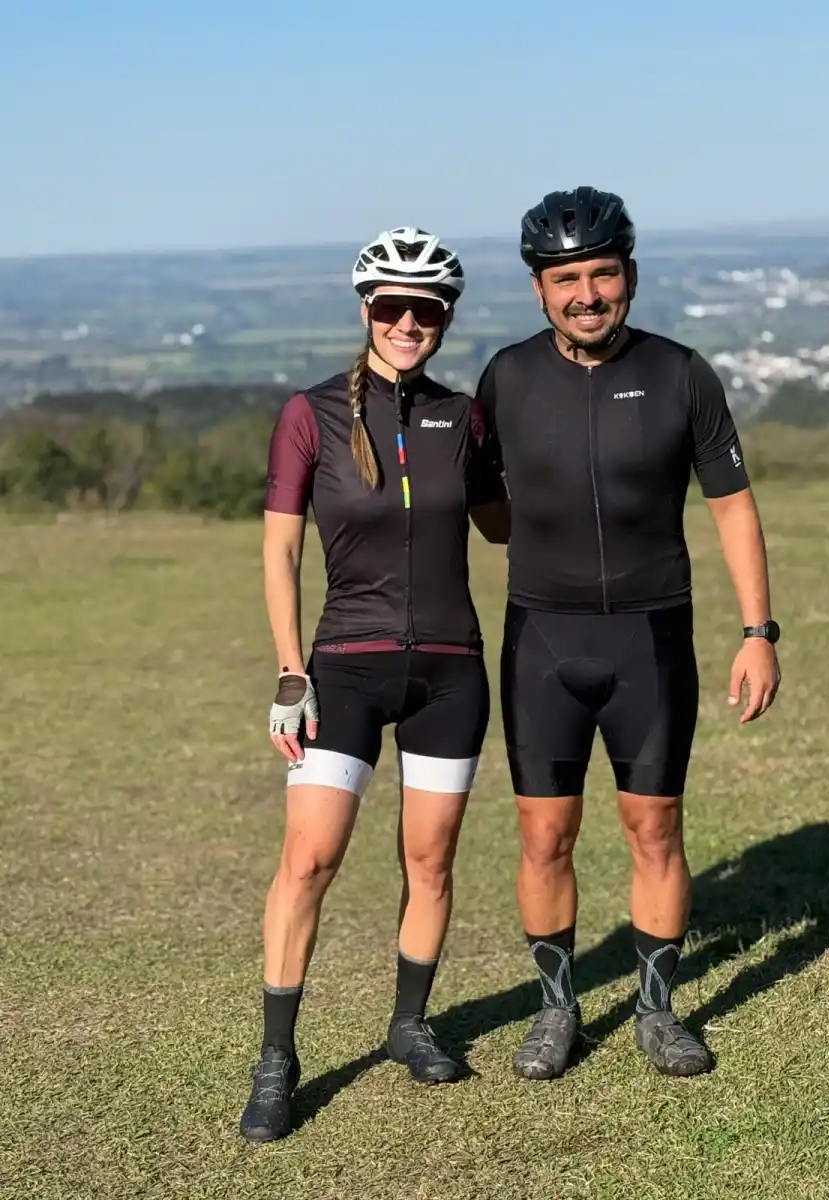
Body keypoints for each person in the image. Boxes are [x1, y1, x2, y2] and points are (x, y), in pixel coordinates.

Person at [476, 187, 781, 1081]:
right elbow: (487, 509)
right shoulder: (509, 376)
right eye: (565, 278)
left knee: (655, 828)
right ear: (539, 290)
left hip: (651, 638)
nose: (586, 294)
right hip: (543, 640)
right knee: (544, 838)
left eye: (602, 274)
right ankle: (555, 1011)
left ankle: (656, 1011)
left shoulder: (683, 373)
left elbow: (731, 505)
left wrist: (758, 628)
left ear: (630, 276)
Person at [239, 227, 509, 1143]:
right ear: (365, 311)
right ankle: (277, 1060)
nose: (407, 322)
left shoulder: (463, 418)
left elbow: (505, 526)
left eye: (424, 310)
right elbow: (279, 547)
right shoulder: (309, 415)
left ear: (443, 321)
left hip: (450, 671)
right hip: (342, 672)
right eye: (391, 307)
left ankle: (409, 1026)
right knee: (309, 861)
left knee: (430, 862)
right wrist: (287, 671)